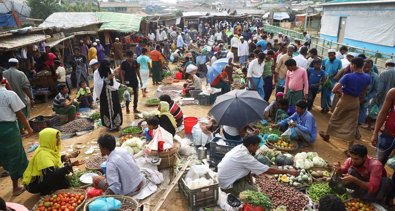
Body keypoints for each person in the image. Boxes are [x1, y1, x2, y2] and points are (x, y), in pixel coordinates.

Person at [218, 135, 298, 196]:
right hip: (228, 185)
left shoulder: (240, 147)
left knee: (251, 179)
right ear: (251, 146)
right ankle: (236, 192)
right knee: (257, 194)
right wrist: (288, 171)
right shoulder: (245, 157)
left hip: (226, 178)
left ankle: (245, 184)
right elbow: (268, 170)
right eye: (257, 145)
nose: (258, 147)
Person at [320, 58, 371, 149]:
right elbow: (364, 92)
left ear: (354, 65)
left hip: (345, 100)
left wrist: (341, 94)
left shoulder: (348, 76)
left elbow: (334, 89)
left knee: (335, 118)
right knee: (352, 123)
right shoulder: (367, 77)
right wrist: (358, 101)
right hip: (356, 101)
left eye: (351, 64)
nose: (350, 66)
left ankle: (327, 135)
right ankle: (349, 147)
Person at [0, 71, 32, 196]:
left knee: (4, 155)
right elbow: (20, 114)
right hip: (8, 129)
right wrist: (28, 128)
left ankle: (23, 174)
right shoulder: (8, 94)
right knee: (15, 155)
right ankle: (15, 188)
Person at [23, 128, 82, 195]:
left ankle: (53, 187)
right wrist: (70, 166)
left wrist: (69, 156)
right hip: (33, 185)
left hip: (44, 176)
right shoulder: (43, 154)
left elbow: (55, 160)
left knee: (66, 162)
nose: (59, 139)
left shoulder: (47, 147)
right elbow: (51, 175)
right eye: (56, 137)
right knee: (62, 180)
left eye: (58, 136)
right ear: (49, 139)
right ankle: (46, 191)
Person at [3, 58, 34, 122]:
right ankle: (22, 129)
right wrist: (31, 98)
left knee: (13, 116)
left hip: (7, 100)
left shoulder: (3, 74)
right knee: (23, 116)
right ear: (17, 64)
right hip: (21, 99)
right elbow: (25, 87)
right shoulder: (21, 74)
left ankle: (21, 130)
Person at [371, 88, 395, 165]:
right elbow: (383, 113)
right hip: (387, 135)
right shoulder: (393, 92)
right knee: (378, 164)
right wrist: (375, 133)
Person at [97, 60, 123, 131]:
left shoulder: (110, 70)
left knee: (116, 107)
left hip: (112, 93)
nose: (107, 68)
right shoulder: (97, 73)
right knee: (106, 109)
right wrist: (108, 78)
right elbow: (98, 84)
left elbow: (113, 83)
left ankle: (117, 124)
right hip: (104, 94)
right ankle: (109, 125)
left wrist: (113, 76)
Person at [359, 59, 379, 125]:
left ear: (371, 67)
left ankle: (359, 125)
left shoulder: (375, 77)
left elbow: (376, 90)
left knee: (362, 112)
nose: (366, 69)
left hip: (365, 99)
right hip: (355, 97)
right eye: (365, 67)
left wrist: (366, 98)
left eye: (368, 67)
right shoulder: (358, 73)